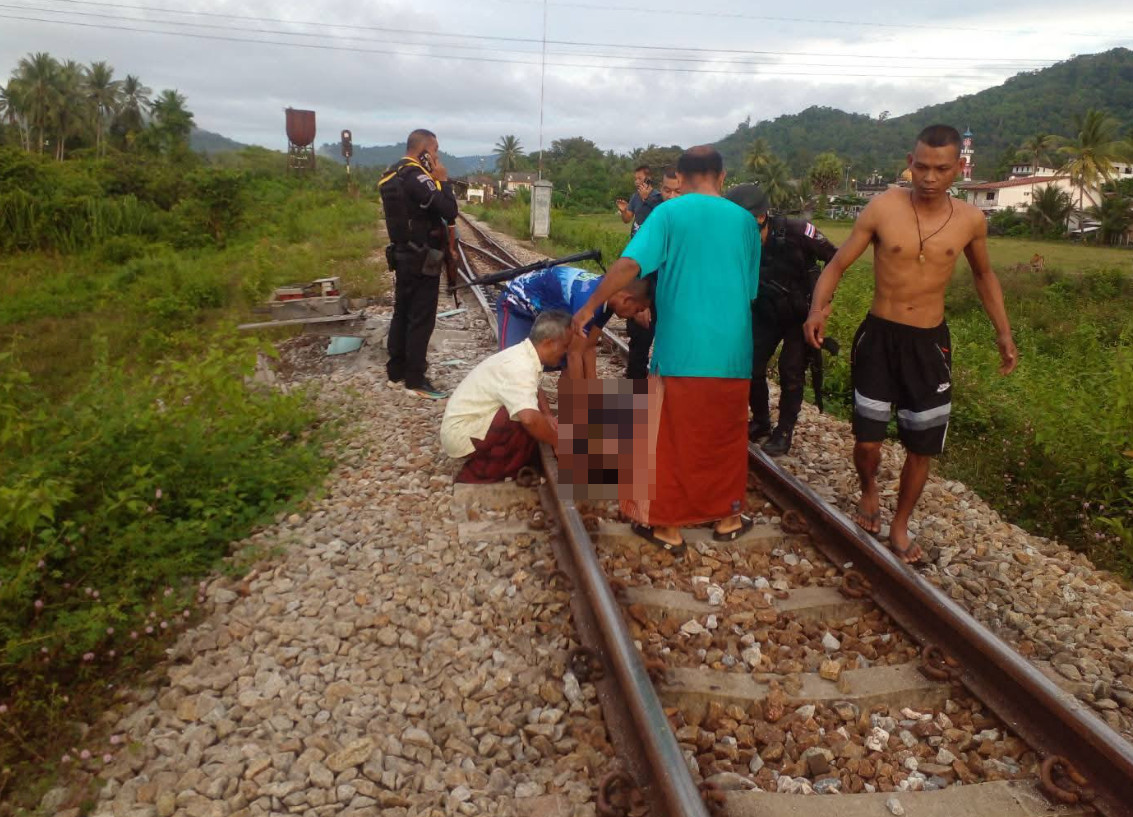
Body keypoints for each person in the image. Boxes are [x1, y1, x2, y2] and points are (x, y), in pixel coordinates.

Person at [803, 124, 1017, 564]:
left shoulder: (971, 220)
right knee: (868, 441)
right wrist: (817, 309)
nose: (929, 177)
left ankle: (900, 523)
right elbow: (838, 263)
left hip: (929, 345)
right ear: (909, 163)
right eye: (922, 167)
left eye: (941, 169)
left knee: (921, 446)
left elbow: (983, 275)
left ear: (959, 167)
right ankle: (868, 489)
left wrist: (1004, 332)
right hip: (879, 337)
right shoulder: (883, 207)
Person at [572, 146, 761, 554]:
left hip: (683, 348)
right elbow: (749, 290)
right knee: (725, 436)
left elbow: (630, 265)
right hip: (734, 351)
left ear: (682, 178)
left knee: (667, 439)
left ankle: (667, 527)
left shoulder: (668, 213)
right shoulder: (746, 222)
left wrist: (591, 305)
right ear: (721, 177)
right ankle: (728, 518)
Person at [725, 183, 839, 457]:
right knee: (751, 367)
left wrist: (823, 306)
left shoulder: (797, 231)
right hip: (766, 311)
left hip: (801, 314)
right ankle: (761, 421)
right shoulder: (736, 243)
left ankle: (784, 431)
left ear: (760, 217)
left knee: (791, 372)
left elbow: (836, 259)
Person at [440, 310, 572, 483]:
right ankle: (479, 472)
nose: (566, 352)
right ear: (548, 343)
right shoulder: (519, 366)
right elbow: (529, 419)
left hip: (470, 423)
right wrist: (558, 442)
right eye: (565, 346)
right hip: (460, 434)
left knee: (533, 417)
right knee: (523, 418)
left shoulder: (525, 354)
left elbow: (536, 388)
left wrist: (547, 416)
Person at [379, 128, 459, 400]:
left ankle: (396, 372)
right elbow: (449, 210)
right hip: (422, 259)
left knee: (402, 313)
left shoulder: (391, 174)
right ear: (423, 150)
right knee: (421, 319)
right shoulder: (417, 176)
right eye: (434, 151)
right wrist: (443, 181)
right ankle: (415, 379)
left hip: (402, 254)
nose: (436, 156)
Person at [497, 266, 652, 379]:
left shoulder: (607, 302)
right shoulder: (588, 301)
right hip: (517, 301)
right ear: (626, 300)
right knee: (513, 364)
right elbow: (575, 355)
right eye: (637, 310)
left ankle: (568, 408)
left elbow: (589, 347)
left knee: (568, 355)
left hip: (543, 310)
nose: (635, 316)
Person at [625, 166, 683, 379]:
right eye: (667, 190)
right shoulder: (648, 209)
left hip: (677, 292)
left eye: (678, 191)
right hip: (648, 288)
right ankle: (634, 394)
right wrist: (640, 302)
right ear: (661, 188)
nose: (672, 196)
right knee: (640, 345)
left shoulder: (692, 212)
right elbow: (636, 257)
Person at [618, 166, 665, 379]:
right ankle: (635, 383)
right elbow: (629, 219)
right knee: (640, 336)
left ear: (648, 179)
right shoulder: (637, 197)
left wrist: (647, 201)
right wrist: (624, 210)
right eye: (635, 178)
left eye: (640, 178)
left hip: (660, 278)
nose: (636, 181)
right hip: (641, 271)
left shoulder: (658, 201)